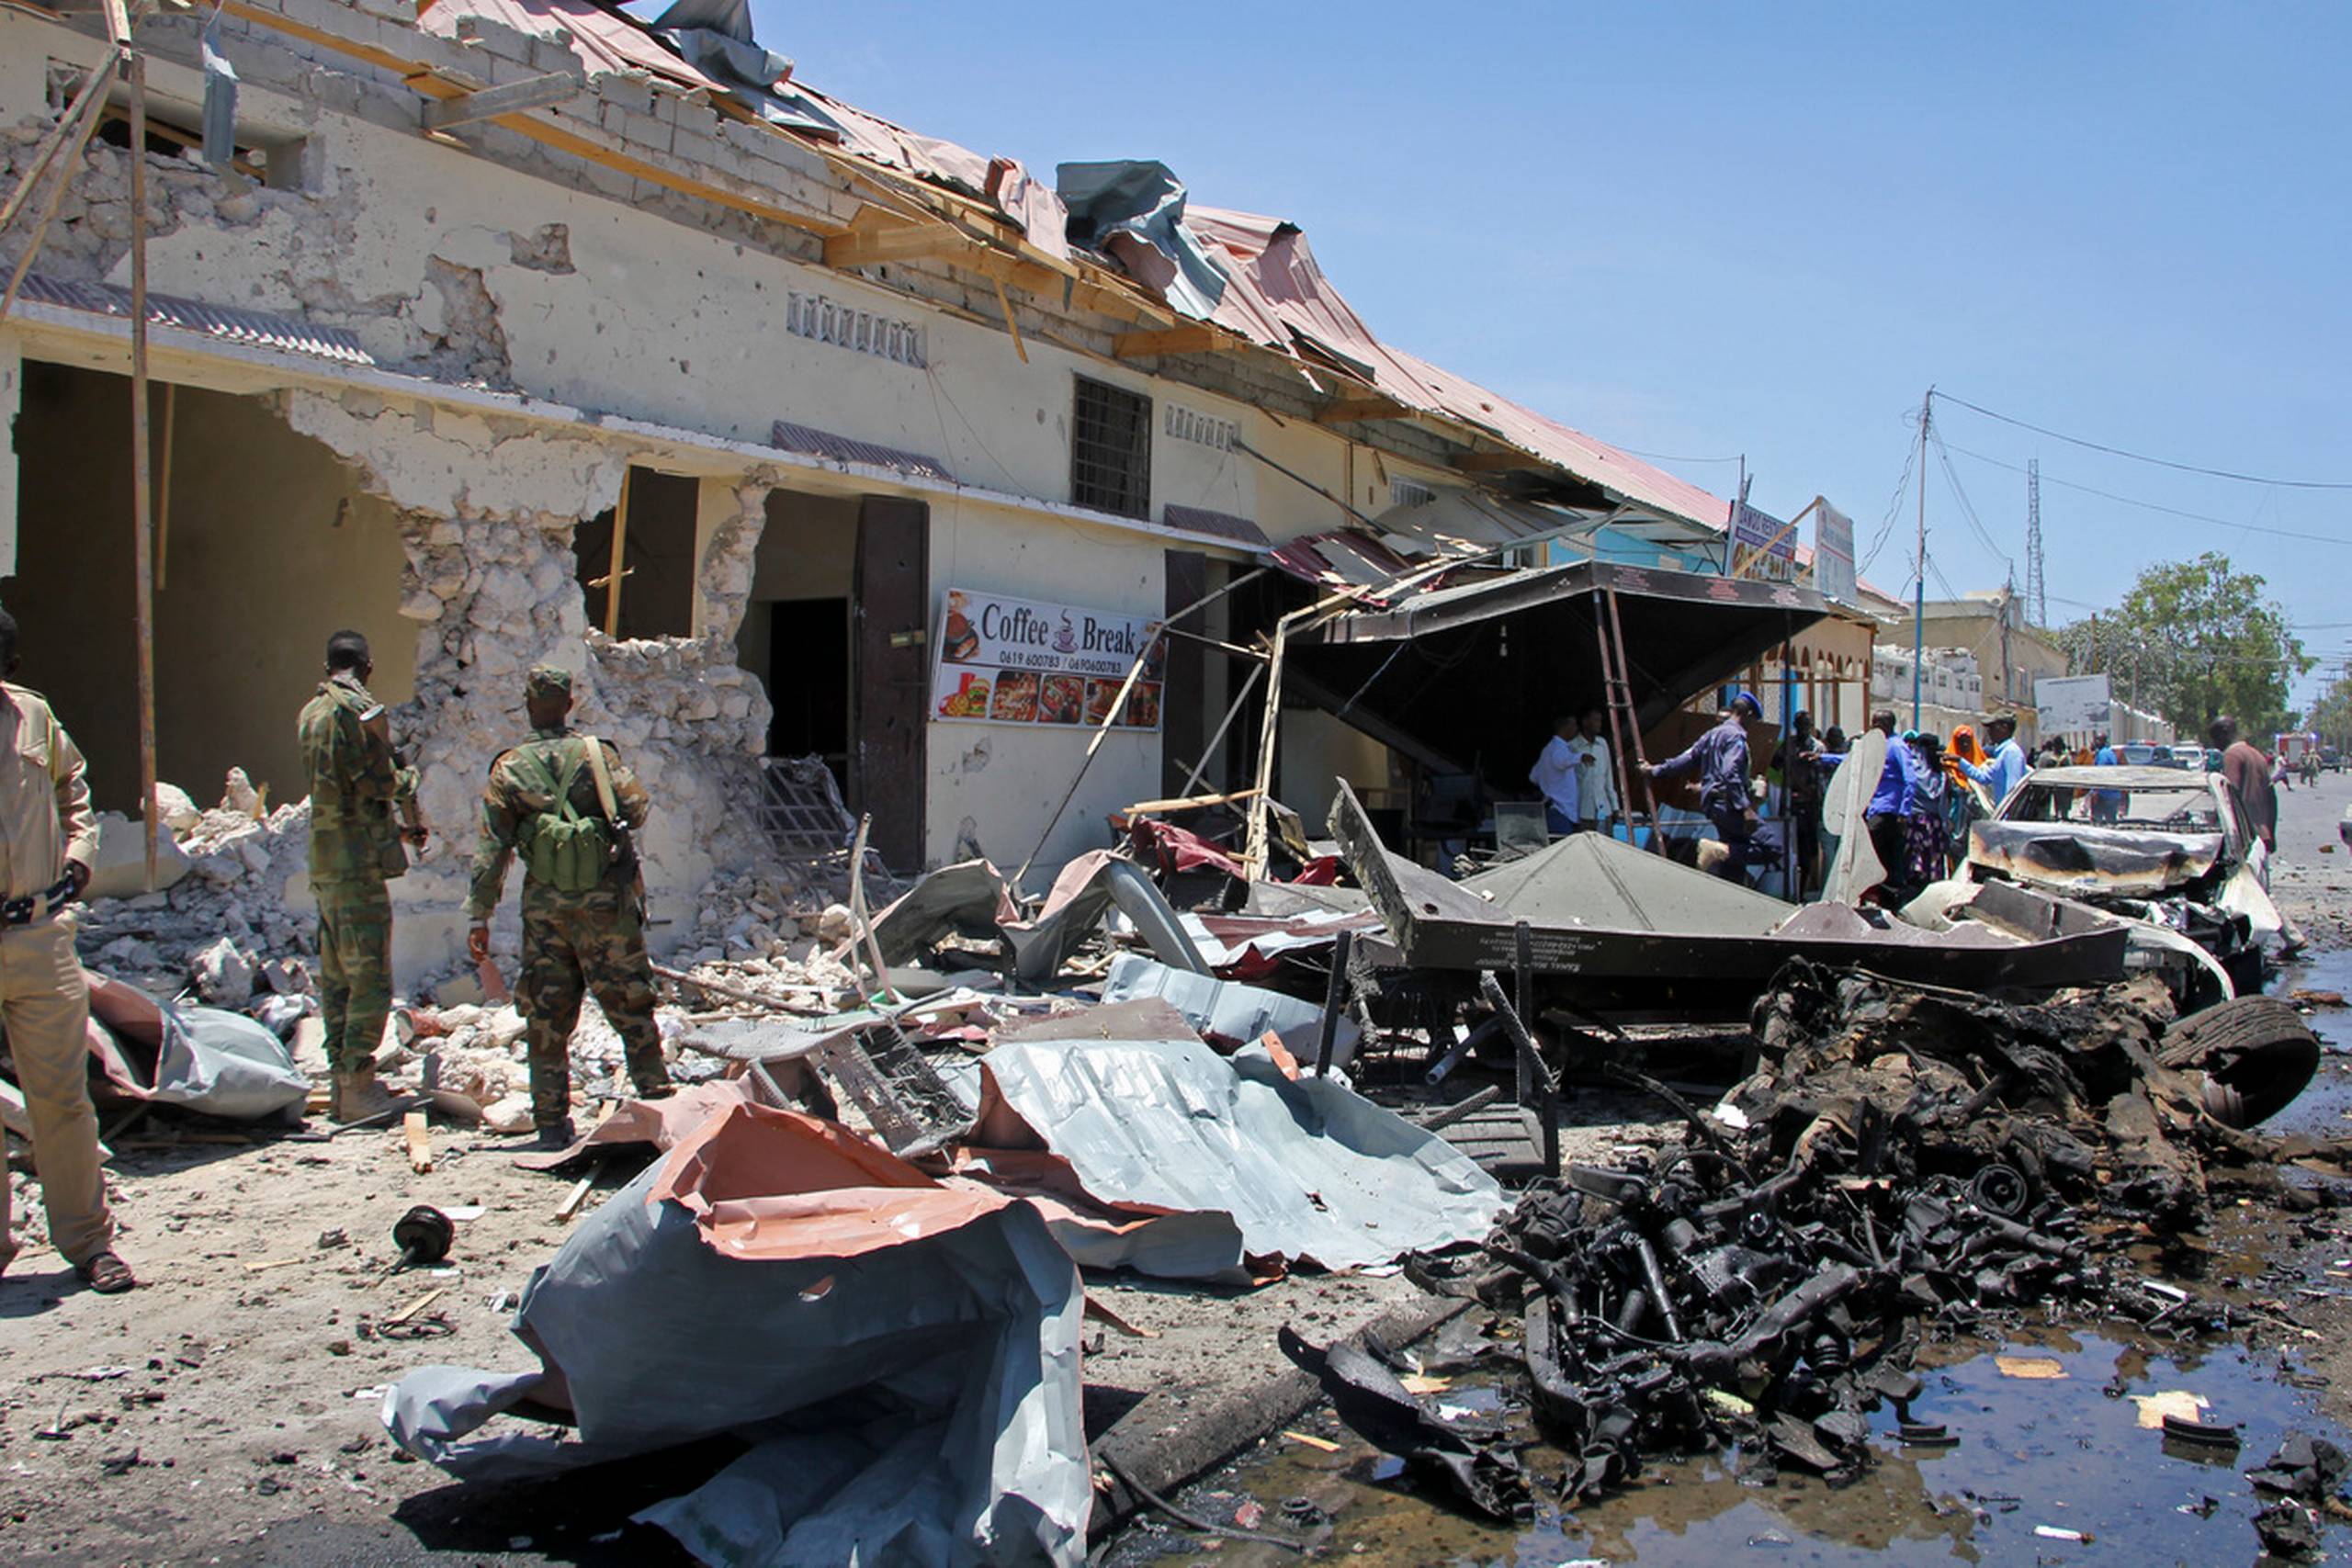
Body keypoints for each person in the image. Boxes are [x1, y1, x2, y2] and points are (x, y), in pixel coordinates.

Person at [468, 664, 673, 1150]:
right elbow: (636, 808)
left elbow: (491, 848)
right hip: (606, 904)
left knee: (547, 1012)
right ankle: (658, 1101)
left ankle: (552, 1123)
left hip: (545, 909)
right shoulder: (596, 756)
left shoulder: (510, 768)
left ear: (528, 705)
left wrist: (479, 914)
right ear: (570, 704)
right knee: (631, 1003)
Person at [0, 609, 134, 1292]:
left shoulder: (33, 718)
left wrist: (80, 855)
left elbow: (72, 786)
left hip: (37, 934)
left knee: (60, 1097)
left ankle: (86, 1241)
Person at [298, 630, 429, 1123]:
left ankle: (341, 1081)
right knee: (370, 976)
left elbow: (338, 788)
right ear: (366, 667)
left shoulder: (310, 712)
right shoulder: (355, 712)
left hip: (327, 860)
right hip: (357, 864)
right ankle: (358, 1086)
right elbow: (374, 783)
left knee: (336, 977)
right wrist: (406, 780)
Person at [1643, 690, 1780, 880]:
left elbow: (1687, 759)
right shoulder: (1735, 737)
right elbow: (1729, 772)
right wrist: (1745, 809)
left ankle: (1730, 891)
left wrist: (1655, 770)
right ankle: (1714, 849)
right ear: (1748, 714)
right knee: (1773, 847)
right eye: (1753, 721)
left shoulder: (1713, 735)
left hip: (1712, 804)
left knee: (1733, 859)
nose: (1752, 726)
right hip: (1729, 805)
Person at [1860, 710, 1924, 903]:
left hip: (1888, 811)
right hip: (1876, 808)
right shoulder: (1878, 745)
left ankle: (1887, 894)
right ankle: (1888, 898)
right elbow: (1856, 762)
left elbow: (1910, 779)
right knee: (1887, 856)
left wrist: (1904, 812)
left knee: (1871, 851)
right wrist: (1823, 758)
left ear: (1886, 725)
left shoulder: (1897, 747)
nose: (1873, 727)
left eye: (1876, 723)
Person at [1771, 709, 1825, 895]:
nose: (1803, 729)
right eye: (1800, 725)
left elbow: (1821, 779)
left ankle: (1803, 889)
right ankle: (1788, 888)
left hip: (1809, 805)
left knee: (1807, 849)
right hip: (1790, 803)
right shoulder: (1788, 745)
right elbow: (1774, 765)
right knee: (1786, 845)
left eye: (1806, 725)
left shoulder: (1817, 748)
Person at [2217, 717, 2279, 853]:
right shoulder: (2256, 754)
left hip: (2244, 838)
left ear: (2224, 733)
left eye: (2216, 738)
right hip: (2262, 835)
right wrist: (2271, 833)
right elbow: (2272, 798)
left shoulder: (2232, 755)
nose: (2215, 744)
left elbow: (2230, 795)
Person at [1527, 715, 1583, 836]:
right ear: (1566, 727)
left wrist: (1549, 782)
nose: (1576, 728)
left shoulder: (1547, 750)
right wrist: (1580, 757)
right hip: (1561, 809)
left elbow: (1533, 777)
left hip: (1552, 807)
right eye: (1573, 725)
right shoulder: (1559, 748)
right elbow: (1560, 762)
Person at [1566, 707, 1620, 834]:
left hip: (1603, 808)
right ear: (1585, 722)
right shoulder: (1572, 747)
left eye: (1600, 720)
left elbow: (1608, 778)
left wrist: (1615, 806)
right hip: (1582, 810)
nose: (1599, 724)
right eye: (1595, 720)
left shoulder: (1602, 744)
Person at [2089, 734, 2124, 824]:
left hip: (2103, 794)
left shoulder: (2103, 754)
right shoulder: (2110, 753)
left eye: (2098, 740)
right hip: (2114, 793)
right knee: (2111, 821)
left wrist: (2095, 791)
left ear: (2103, 741)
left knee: (2097, 822)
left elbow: (2100, 773)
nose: (2095, 742)